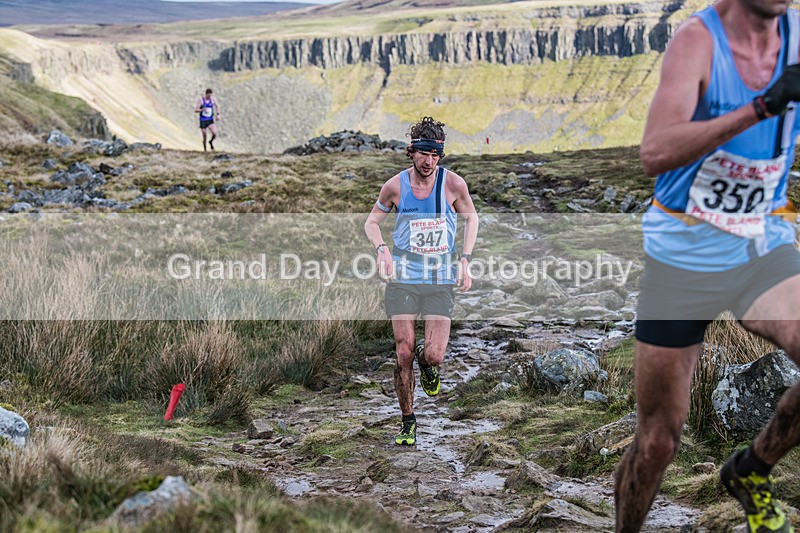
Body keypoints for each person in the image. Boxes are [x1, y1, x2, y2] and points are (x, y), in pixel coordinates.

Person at [614, 1, 800, 532]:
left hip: (759, 246)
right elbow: (654, 151)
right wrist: (762, 106)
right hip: (683, 259)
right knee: (658, 441)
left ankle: (751, 469)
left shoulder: (797, 35)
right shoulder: (699, 42)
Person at [364, 116, 479, 446]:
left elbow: (471, 218)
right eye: (423, 154)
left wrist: (465, 260)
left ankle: (429, 368)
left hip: (440, 277)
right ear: (411, 152)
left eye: (435, 155)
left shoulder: (454, 184)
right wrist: (382, 250)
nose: (429, 162)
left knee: (434, 354)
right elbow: (371, 224)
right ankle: (408, 420)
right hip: (403, 276)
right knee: (404, 352)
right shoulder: (395, 186)